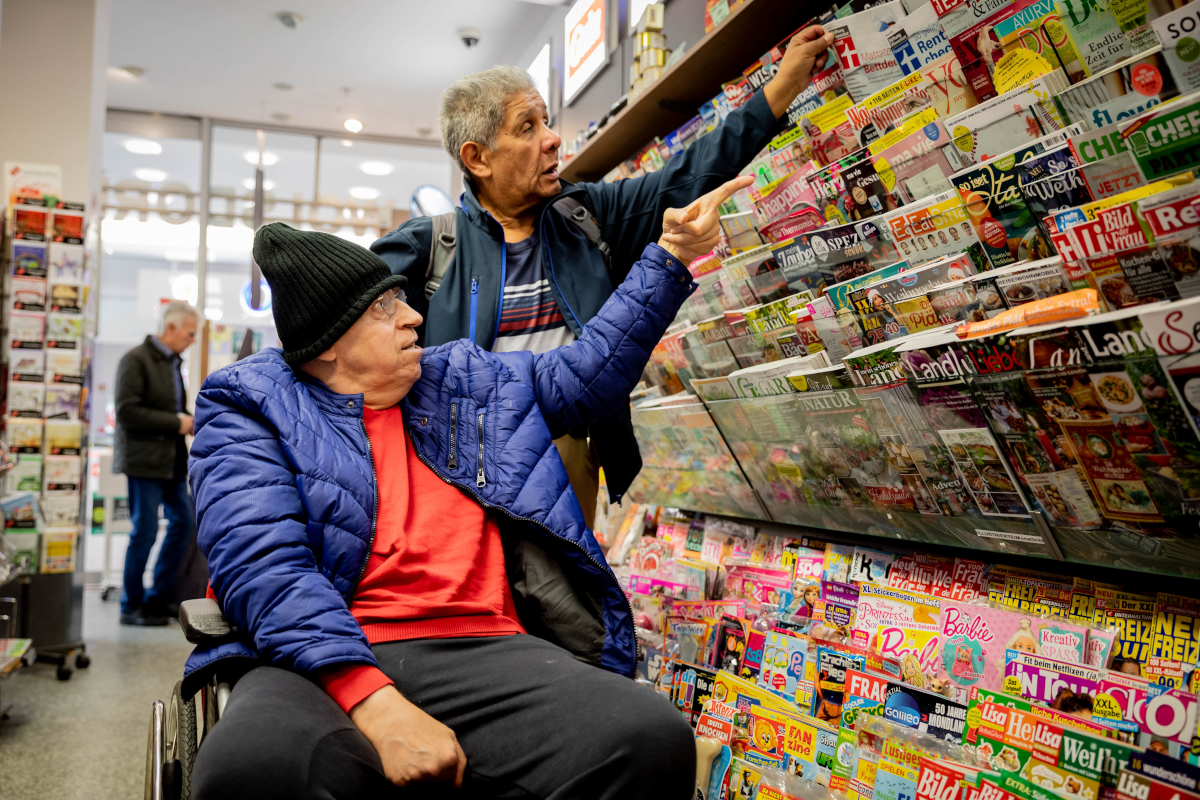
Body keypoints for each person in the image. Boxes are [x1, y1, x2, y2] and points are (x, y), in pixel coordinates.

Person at [187, 178, 749, 799]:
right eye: (384, 308)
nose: (413, 316)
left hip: (485, 647)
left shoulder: (463, 378)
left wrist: (669, 256)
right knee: (249, 771)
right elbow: (264, 568)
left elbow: (590, 371)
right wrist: (378, 706)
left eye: (402, 298)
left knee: (646, 735)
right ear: (326, 348)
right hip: (324, 651)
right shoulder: (249, 405)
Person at [371, 27, 834, 525]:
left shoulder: (587, 216)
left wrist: (781, 87)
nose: (552, 139)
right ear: (477, 157)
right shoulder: (427, 247)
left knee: (565, 599)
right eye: (527, 127)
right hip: (461, 477)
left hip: (568, 457)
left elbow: (685, 176)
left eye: (546, 121)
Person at [113, 300, 198, 626]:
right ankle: (130, 605)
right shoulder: (135, 360)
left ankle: (157, 597)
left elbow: (173, 408)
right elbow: (127, 412)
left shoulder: (172, 363)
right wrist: (177, 423)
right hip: (144, 462)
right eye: (190, 333)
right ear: (171, 327)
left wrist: (190, 420)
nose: (192, 340)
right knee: (144, 531)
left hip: (172, 461)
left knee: (184, 524)